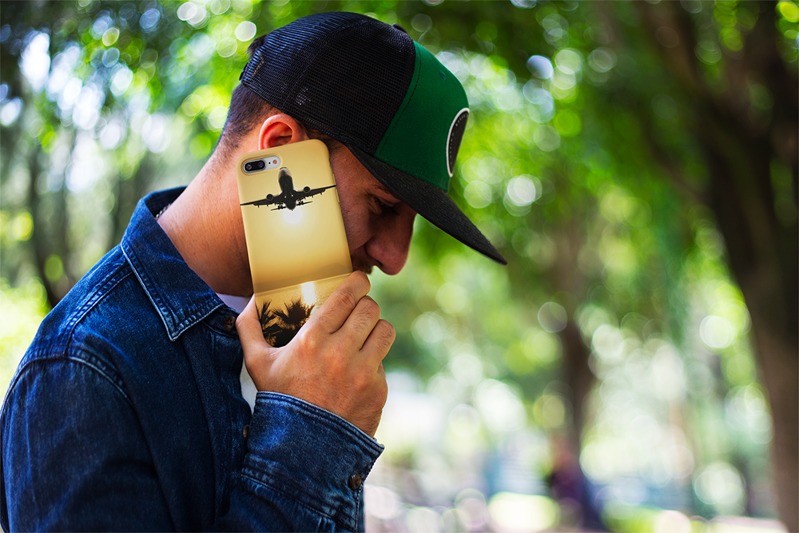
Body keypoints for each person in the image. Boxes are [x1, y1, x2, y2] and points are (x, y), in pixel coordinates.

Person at [0, 11, 506, 531]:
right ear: (281, 148)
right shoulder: (82, 369)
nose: (395, 258)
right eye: (382, 205)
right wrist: (310, 432)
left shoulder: (305, 334)